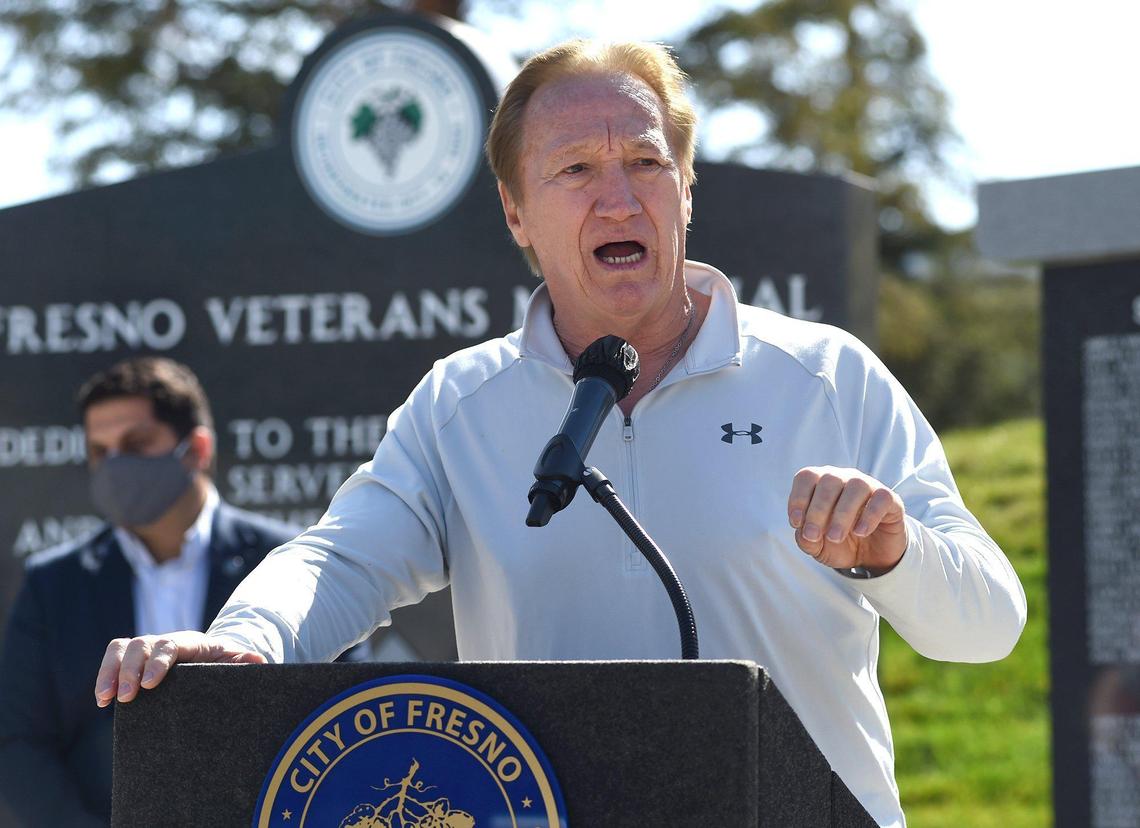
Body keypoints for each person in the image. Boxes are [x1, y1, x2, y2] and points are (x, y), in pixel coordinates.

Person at [94, 41, 1027, 827]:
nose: (619, 200)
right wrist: (248, 641)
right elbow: (342, 561)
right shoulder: (464, 403)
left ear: (687, 189)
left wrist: (896, 552)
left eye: (648, 163)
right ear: (516, 214)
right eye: (577, 169)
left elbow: (989, 625)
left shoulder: (828, 377)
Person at [0, 357, 300, 827]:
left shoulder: (286, 560)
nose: (115, 465)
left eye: (136, 444)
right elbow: (18, 744)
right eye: (100, 451)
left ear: (196, 449)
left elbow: (336, 696)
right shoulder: (54, 584)